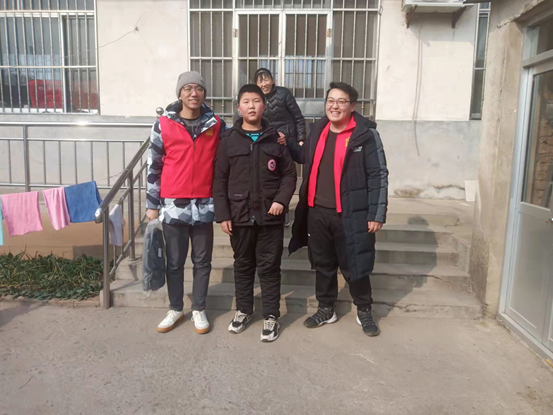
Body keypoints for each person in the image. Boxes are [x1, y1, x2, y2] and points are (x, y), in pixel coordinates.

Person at [286, 82, 388, 337]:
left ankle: (364, 309)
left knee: (355, 263)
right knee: (323, 264)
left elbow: (378, 175)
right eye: (330, 100)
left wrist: (376, 214)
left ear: (352, 106)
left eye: (341, 101)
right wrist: (286, 142)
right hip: (317, 211)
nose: (334, 106)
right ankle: (326, 308)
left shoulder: (365, 135)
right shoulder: (318, 130)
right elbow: (304, 158)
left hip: (351, 213)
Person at [213, 84, 297, 342]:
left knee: (270, 267)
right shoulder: (228, 140)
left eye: (256, 101)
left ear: (264, 105)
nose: (251, 106)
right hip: (239, 216)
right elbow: (219, 180)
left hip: (270, 216)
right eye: (246, 101)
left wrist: (281, 201)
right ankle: (244, 310)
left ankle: (271, 316)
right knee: (243, 265)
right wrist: (223, 214)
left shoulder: (276, 139)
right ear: (239, 107)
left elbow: (289, 175)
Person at [146, 71, 226, 334]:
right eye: (188, 88)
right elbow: (154, 166)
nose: (194, 93)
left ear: (204, 94)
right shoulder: (163, 124)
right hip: (174, 205)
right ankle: (176, 308)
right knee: (174, 262)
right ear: (179, 93)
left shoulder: (216, 124)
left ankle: (199, 309)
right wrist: (152, 204)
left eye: (199, 88)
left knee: (203, 261)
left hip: (204, 204)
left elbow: (231, 153)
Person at [255, 68, 306, 226]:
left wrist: (300, 139)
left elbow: (298, 118)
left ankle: (284, 211)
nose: (264, 84)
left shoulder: (283, 94)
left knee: (286, 177)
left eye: (266, 79)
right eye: (260, 81)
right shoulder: (257, 99)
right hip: (268, 144)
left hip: (287, 143)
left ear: (272, 80)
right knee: (272, 177)